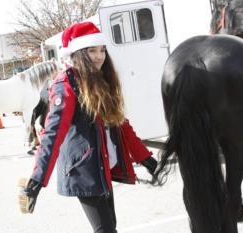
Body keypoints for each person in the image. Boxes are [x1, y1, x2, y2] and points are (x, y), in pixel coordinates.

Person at [18, 22, 157, 233]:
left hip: (103, 165)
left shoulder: (102, 80)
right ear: (78, 53)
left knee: (110, 227)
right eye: (92, 51)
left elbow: (120, 123)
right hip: (84, 170)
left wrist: (145, 158)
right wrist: (37, 179)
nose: (99, 56)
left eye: (101, 50)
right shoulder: (66, 84)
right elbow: (53, 134)